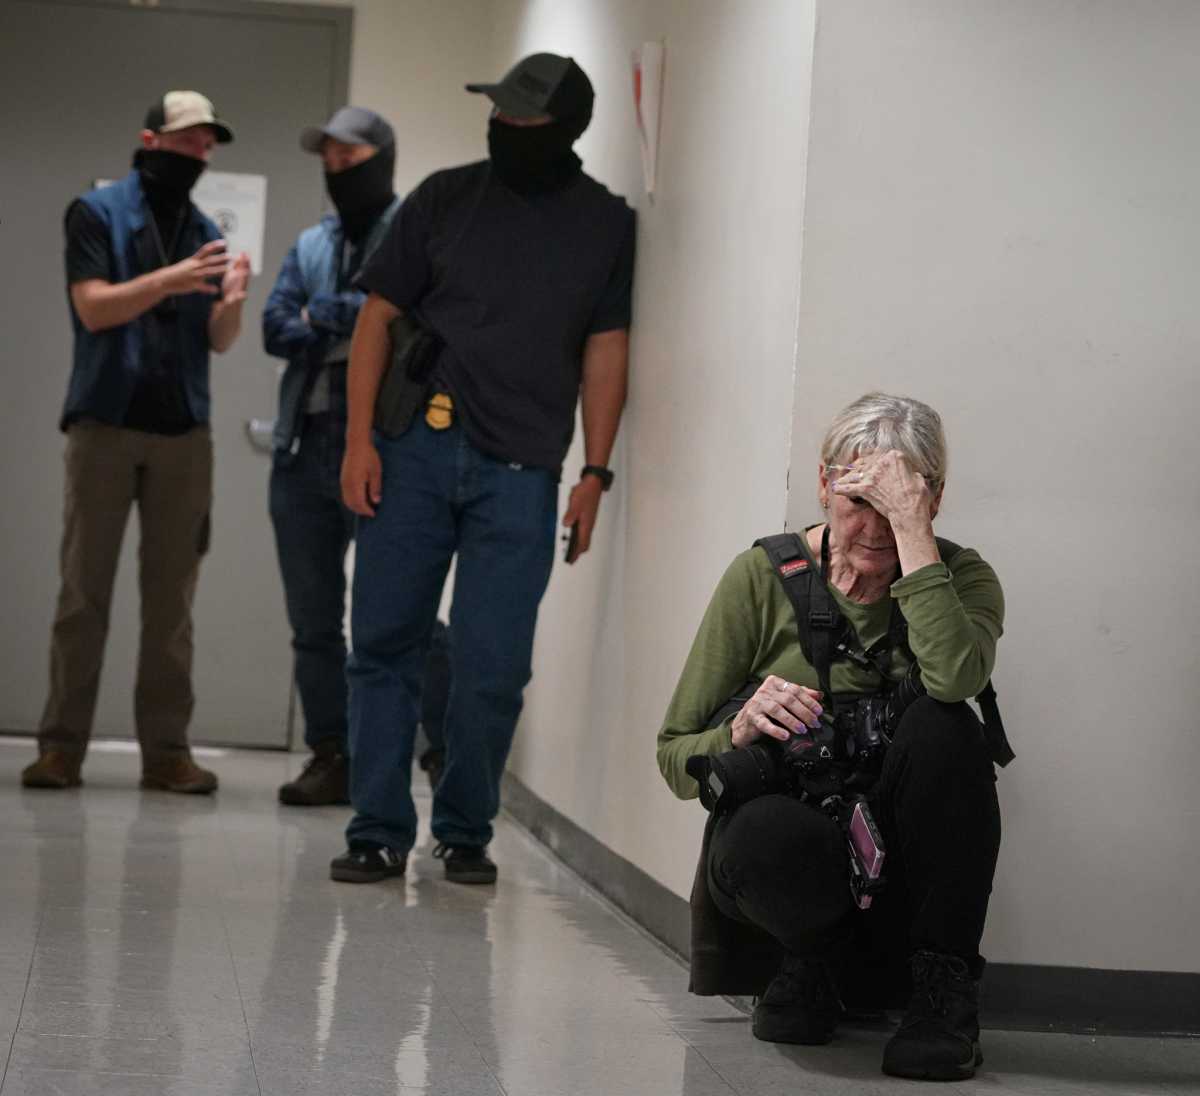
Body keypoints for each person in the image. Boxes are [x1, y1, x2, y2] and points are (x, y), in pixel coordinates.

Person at [329, 52, 636, 885]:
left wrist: (595, 472)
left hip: (522, 468)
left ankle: (465, 828)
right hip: (412, 451)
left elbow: (607, 348)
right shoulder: (444, 197)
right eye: (496, 114)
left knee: (493, 665)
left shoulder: (605, 224)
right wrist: (358, 442)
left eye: (521, 118)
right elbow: (376, 320)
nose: (502, 127)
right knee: (382, 644)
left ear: (565, 128)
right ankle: (376, 829)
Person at [657, 393, 1006, 1081]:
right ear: (823, 485)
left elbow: (955, 677)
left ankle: (941, 995)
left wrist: (915, 540)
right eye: (857, 502)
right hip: (799, 864)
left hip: (908, 874)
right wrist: (739, 728)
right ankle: (813, 963)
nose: (874, 529)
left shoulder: (962, 578)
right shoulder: (760, 578)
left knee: (948, 726)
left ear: (933, 500)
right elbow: (674, 756)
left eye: (895, 505)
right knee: (762, 832)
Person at [23, 91, 250, 794]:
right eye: (187, 141)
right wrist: (173, 280)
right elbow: (93, 308)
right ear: (151, 140)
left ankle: (167, 754)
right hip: (105, 426)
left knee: (172, 605)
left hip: (184, 433)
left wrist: (233, 304)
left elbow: (218, 340)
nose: (199, 154)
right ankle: (61, 749)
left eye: (207, 145)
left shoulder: (204, 229)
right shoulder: (95, 213)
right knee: (83, 594)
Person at [264, 106, 453, 806]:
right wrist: (350, 312)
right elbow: (274, 325)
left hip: (387, 449)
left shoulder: (416, 232)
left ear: (382, 158)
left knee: (405, 613)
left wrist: (326, 313)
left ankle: (445, 752)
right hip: (301, 448)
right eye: (330, 158)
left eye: (350, 157)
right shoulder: (310, 243)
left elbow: (410, 323)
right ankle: (332, 755)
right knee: (312, 622)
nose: (337, 168)